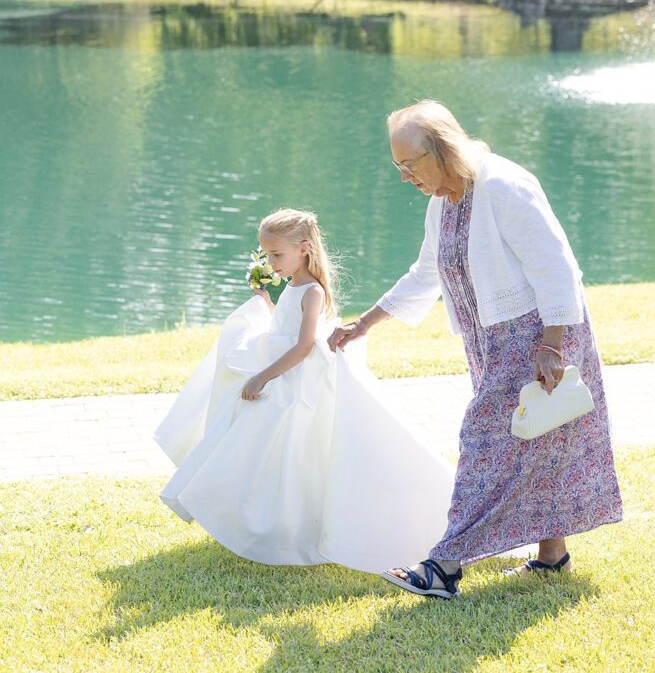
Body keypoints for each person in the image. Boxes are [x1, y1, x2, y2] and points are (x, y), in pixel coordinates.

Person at [329, 100, 623, 598]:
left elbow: (556, 266)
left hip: (537, 337)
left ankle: (444, 566)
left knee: (484, 445)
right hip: (490, 342)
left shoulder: (504, 186)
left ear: (442, 150)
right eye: (398, 166)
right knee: (538, 442)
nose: (404, 177)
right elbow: (426, 273)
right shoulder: (443, 199)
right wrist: (366, 322)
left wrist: (552, 346)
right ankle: (552, 558)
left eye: (410, 164)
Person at [155, 207, 454, 573]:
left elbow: (303, 346)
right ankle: (248, 516)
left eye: (277, 255)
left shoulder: (312, 291)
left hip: (296, 384)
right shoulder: (293, 286)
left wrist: (262, 377)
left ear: (304, 248)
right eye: (266, 255)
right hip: (285, 374)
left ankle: (282, 528)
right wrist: (265, 302)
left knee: (291, 454)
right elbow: (285, 326)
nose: (271, 262)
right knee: (252, 442)